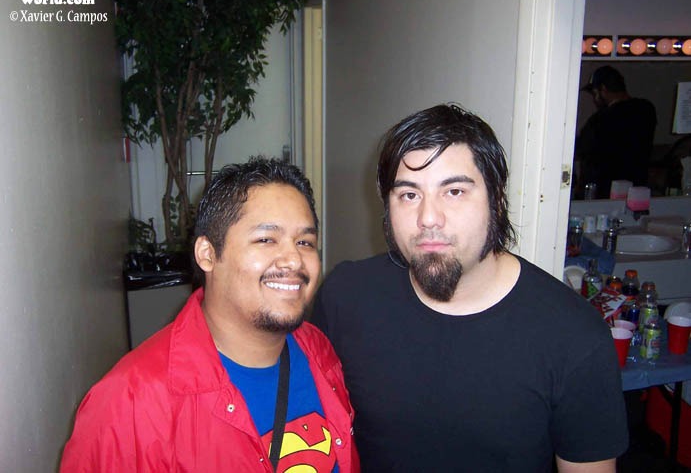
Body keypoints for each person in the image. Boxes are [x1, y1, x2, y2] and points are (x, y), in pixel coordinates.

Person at [311, 104, 628, 472]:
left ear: (497, 201)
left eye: (455, 191)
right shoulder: (345, 297)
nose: (428, 218)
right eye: (409, 195)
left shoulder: (575, 338)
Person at [61, 157, 359, 472]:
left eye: (305, 242)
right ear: (207, 254)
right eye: (266, 239)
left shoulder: (318, 351)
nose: (294, 260)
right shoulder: (130, 403)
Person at [575, 65, 656, 199]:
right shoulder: (646, 110)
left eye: (595, 93)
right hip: (636, 191)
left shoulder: (601, 120)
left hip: (603, 192)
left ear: (603, 89)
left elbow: (583, 148)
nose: (595, 99)